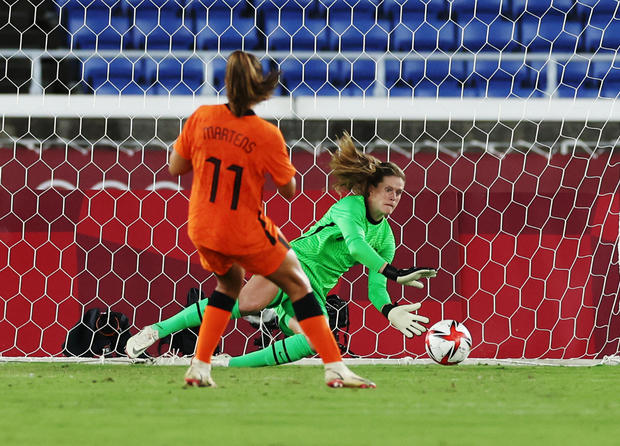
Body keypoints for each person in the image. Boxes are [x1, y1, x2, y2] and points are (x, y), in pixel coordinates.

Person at [129, 129, 436, 371]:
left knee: (315, 340)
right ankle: (154, 331)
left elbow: (375, 288)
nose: (394, 197)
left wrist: (388, 309)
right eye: (389, 190)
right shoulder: (349, 207)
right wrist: (395, 273)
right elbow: (355, 246)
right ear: (371, 190)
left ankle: (228, 364)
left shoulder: (386, 238)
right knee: (245, 304)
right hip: (291, 263)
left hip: (315, 290)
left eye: (399, 192)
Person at [166, 50, 375, 389]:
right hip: (244, 228)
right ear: (261, 89)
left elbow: (176, 167)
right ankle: (335, 368)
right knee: (298, 285)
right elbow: (289, 188)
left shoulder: (201, 117)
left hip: (203, 226)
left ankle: (200, 367)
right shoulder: (265, 133)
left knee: (228, 286)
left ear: (225, 83)